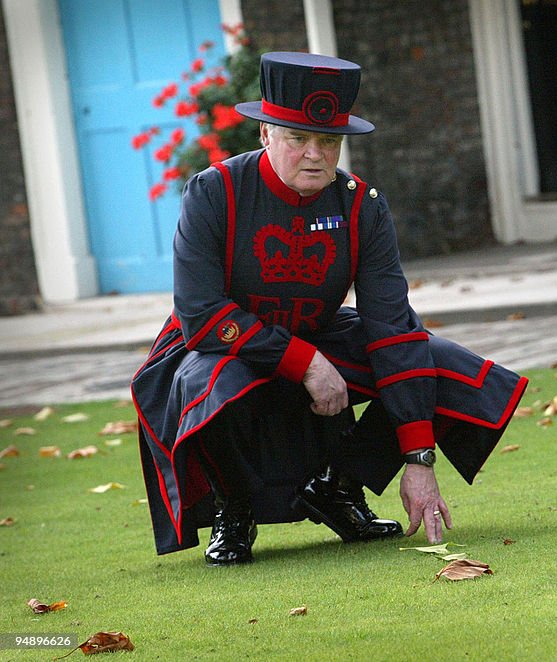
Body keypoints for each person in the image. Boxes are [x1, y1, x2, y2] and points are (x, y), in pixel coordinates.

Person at [131, 52, 528, 565]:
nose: (316, 155)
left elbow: (392, 328)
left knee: (433, 356)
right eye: (298, 139)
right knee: (207, 381)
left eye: (329, 141)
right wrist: (306, 362)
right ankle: (235, 507)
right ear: (264, 135)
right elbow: (201, 313)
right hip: (214, 345)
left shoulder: (363, 203)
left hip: (316, 332)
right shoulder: (214, 193)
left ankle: (338, 487)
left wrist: (419, 457)